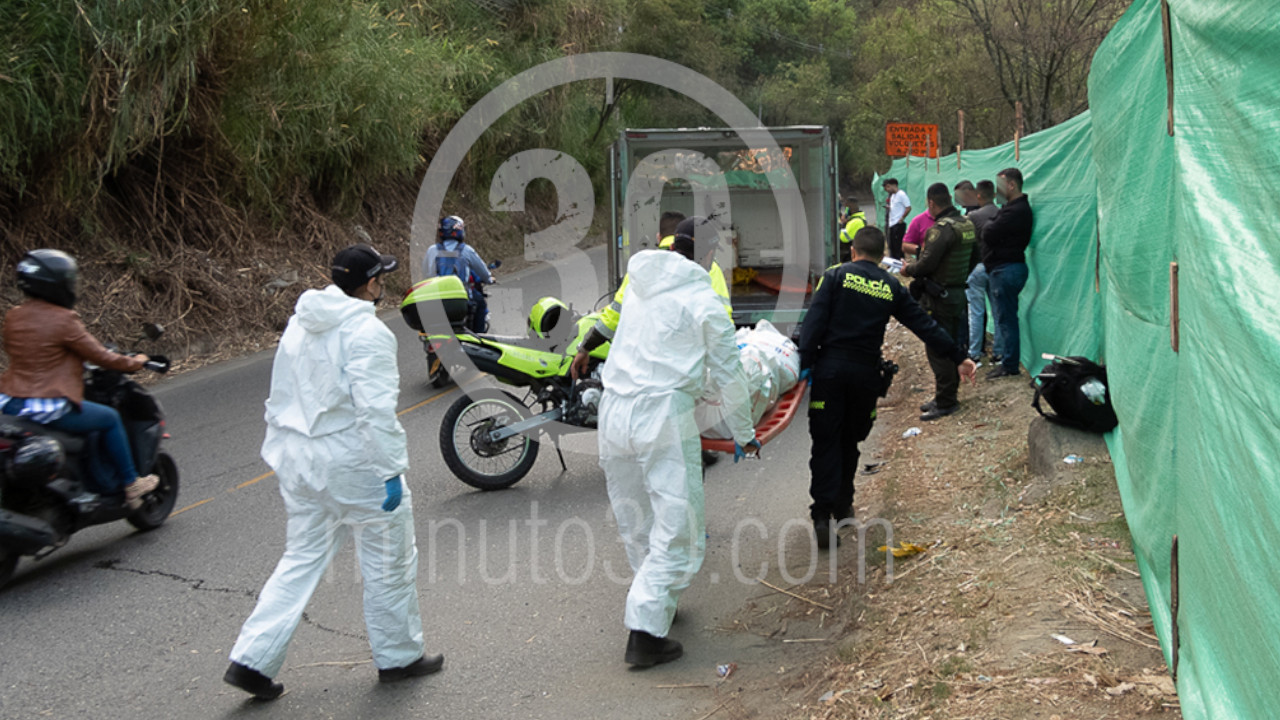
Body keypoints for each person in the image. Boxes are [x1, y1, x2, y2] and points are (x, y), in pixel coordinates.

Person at [224, 243, 439, 700]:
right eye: (381, 277)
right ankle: (398, 656)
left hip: (299, 462)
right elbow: (375, 413)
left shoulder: (300, 324)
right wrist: (391, 472)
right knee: (388, 562)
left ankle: (251, 659)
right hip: (353, 463)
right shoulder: (369, 334)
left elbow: (280, 395)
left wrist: (281, 453)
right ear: (371, 284)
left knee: (300, 559)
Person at [594, 216, 759, 668]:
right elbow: (730, 375)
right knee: (679, 523)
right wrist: (745, 433)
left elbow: (623, 332)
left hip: (614, 410)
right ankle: (645, 635)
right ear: (708, 256)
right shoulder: (704, 300)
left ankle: (656, 598)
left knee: (636, 515)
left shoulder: (641, 285)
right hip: (662, 415)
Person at [799, 227, 976, 548]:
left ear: (853, 251)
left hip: (831, 373)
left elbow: (813, 324)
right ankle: (843, 505)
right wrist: (959, 357)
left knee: (826, 442)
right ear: (883, 256)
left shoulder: (835, 277)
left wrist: (803, 366)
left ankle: (822, 514)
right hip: (865, 375)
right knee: (850, 441)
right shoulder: (890, 285)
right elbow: (925, 325)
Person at [0, 250, 159, 509]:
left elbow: (38, 352)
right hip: (48, 405)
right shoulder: (64, 320)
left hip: (11, 401)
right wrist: (136, 362)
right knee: (109, 418)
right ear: (56, 284)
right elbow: (102, 356)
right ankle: (132, 484)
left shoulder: (13, 316)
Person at [902, 183, 977, 421]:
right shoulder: (966, 223)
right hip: (957, 293)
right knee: (954, 344)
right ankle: (946, 395)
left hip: (938, 297)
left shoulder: (940, 230)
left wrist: (908, 269)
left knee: (938, 347)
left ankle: (946, 401)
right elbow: (975, 258)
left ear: (932, 203)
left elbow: (926, 265)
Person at [980, 168, 1034, 379]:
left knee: (1006, 319)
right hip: (1004, 269)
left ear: (1011, 185)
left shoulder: (1016, 211)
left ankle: (1009, 364)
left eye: (1000, 186)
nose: (997, 192)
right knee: (1005, 317)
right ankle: (1007, 359)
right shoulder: (1010, 209)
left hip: (1006, 270)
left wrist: (988, 225)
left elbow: (988, 233)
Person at [423, 215, 494, 332]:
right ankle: (480, 338)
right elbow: (482, 271)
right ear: (459, 230)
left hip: (436, 297)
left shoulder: (432, 250)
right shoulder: (466, 250)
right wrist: (489, 279)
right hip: (461, 297)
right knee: (480, 304)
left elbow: (426, 273)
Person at [964, 180, 1001, 362]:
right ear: (994, 195)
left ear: (978, 195)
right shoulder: (1002, 213)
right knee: (997, 311)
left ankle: (974, 354)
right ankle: (999, 352)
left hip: (977, 267)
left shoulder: (973, 216)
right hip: (997, 267)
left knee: (976, 312)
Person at [882, 178, 911, 260]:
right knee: (892, 245)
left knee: (898, 246)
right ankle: (893, 263)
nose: (887, 190)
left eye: (887, 187)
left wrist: (902, 218)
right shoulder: (892, 196)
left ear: (893, 185)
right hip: (891, 223)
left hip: (898, 224)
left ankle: (900, 263)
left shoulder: (901, 194)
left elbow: (908, 207)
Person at [838, 197, 868, 262]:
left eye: (846, 207)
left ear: (850, 208)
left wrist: (841, 225)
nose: (845, 211)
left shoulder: (856, 221)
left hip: (850, 256)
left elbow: (844, 238)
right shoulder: (854, 219)